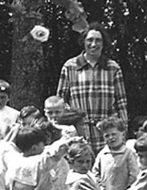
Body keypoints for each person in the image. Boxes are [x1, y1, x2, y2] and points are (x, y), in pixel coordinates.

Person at [55, 25, 129, 153]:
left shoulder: (113, 68)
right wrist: (71, 123)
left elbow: (121, 103)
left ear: (103, 43)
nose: (93, 44)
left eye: (98, 40)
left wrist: (123, 130)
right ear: (83, 42)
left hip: (107, 132)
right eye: (90, 40)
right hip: (79, 132)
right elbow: (61, 101)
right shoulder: (70, 67)